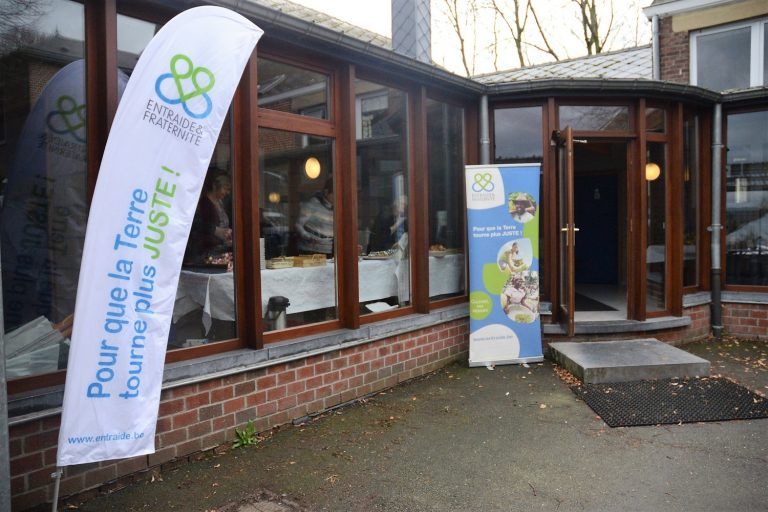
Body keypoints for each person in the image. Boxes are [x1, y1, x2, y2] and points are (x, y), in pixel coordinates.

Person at [186, 172, 233, 263]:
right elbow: (197, 225)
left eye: (229, 190)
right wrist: (216, 231)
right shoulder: (204, 203)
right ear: (215, 186)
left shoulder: (221, 202)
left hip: (220, 250)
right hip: (206, 253)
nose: (228, 192)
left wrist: (227, 237)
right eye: (225, 188)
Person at [296, 179, 334, 255]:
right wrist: (308, 237)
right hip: (310, 250)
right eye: (334, 194)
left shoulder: (336, 208)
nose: (337, 197)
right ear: (326, 192)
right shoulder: (312, 204)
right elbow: (298, 225)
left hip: (328, 249)